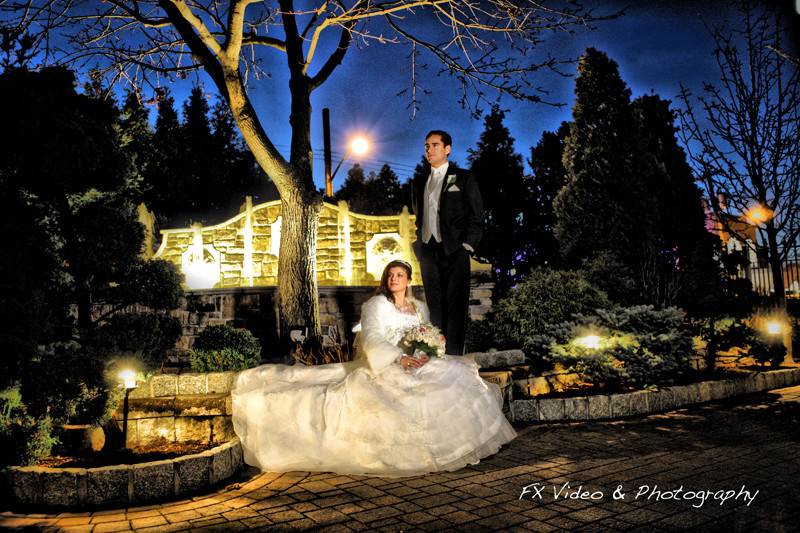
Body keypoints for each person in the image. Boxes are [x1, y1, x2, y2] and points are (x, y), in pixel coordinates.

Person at [231, 260, 516, 477]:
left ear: (408, 280)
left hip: (419, 362)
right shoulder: (376, 305)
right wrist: (400, 359)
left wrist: (425, 353)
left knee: (455, 380)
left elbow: (426, 333)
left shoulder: (419, 307)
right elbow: (374, 338)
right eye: (390, 275)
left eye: (399, 275)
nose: (394, 279)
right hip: (387, 363)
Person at [412, 130, 483, 355]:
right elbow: (420, 217)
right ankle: (436, 355)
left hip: (455, 250)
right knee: (435, 306)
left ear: (447, 149)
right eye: (426, 146)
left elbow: (477, 216)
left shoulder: (463, 177)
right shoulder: (418, 181)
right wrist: (420, 246)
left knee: (456, 306)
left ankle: (453, 358)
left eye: (434, 145)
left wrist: (467, 246)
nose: (429, 150)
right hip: (428, 251)